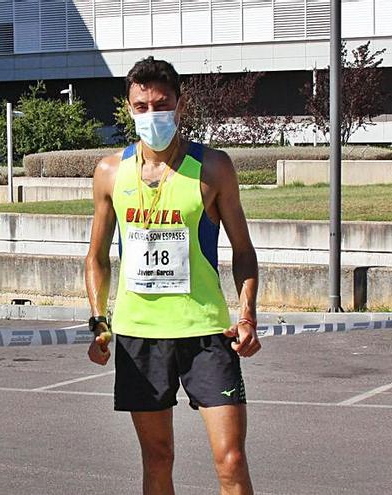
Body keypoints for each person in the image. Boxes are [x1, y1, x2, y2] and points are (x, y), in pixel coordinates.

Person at [84, 56, 261, 495]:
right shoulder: (110, 172)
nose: (151, 115)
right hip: (139, 335)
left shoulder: (213, 167)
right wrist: (98, 320)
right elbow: (96, 257)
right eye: (141, 107)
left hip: (205, 331)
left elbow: (243, 251)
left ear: (181, 106)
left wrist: (248, 315)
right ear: (128, 109)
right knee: (158, 459)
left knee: (231, 459)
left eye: (161, 105)